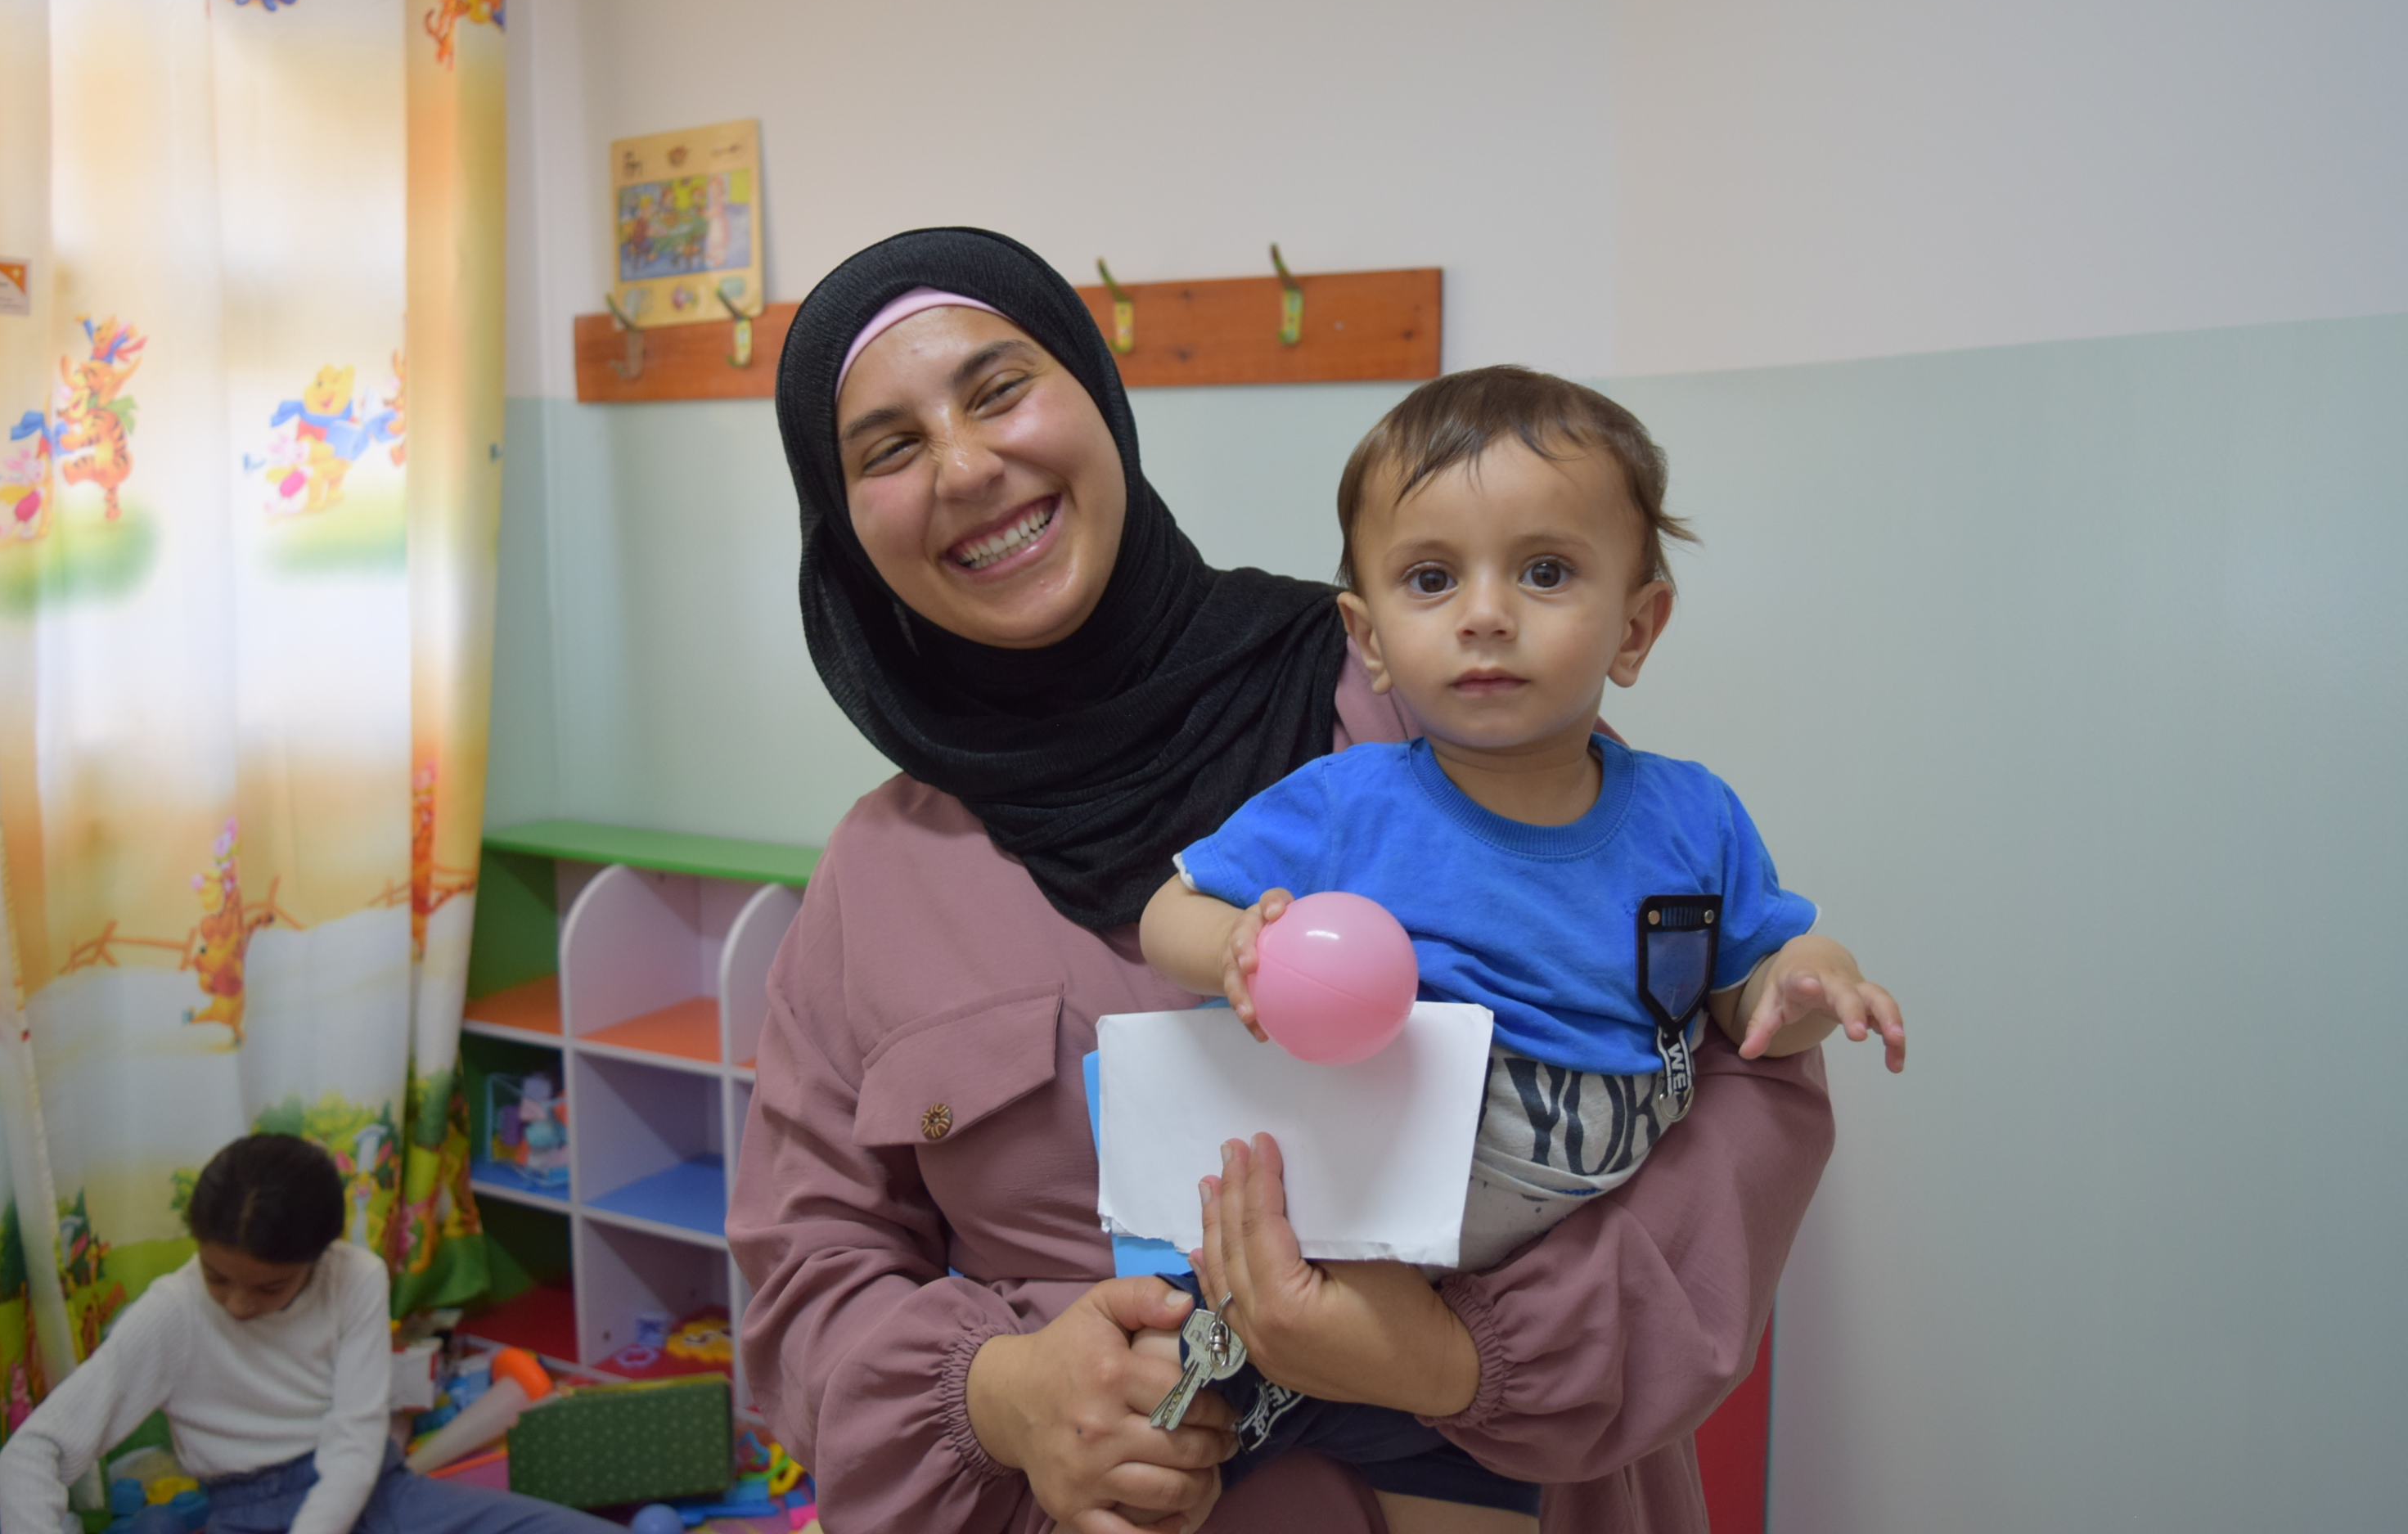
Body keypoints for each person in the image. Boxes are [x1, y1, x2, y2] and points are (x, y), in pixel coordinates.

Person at [728, 226, 1837, 1534]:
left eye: (999, 389)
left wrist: (1461, 1360)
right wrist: (1003, 1394)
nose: (968, 467)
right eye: (889, 447)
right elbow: (808, 1274)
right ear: (847, 525)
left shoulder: (1419, 687)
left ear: (1099, 399)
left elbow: (1740, 1079)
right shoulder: (878, 874)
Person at [1139, 367, 1908, 1527]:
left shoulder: (1690, 820)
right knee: (1157, 1481)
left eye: (1545, 572)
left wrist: (1813, 983)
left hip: (1505, 1315)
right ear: (1372, 638)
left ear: (1637, 626)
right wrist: (1234, 949)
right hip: (1324, 1247)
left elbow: (1756, 993)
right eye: (1432, 578)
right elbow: (1166, 915)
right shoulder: (1344, 805)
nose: (1486, 612)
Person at [0, 1133, 620, 1534]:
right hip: (247, 1513)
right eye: (218, 1277)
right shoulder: (175, 1312)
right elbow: (32, 1454)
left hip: (374, 1490)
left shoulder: (356, 1277)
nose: (238, 1304)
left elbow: (354, 1445)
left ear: (319, 1256)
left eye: (270, 1288)